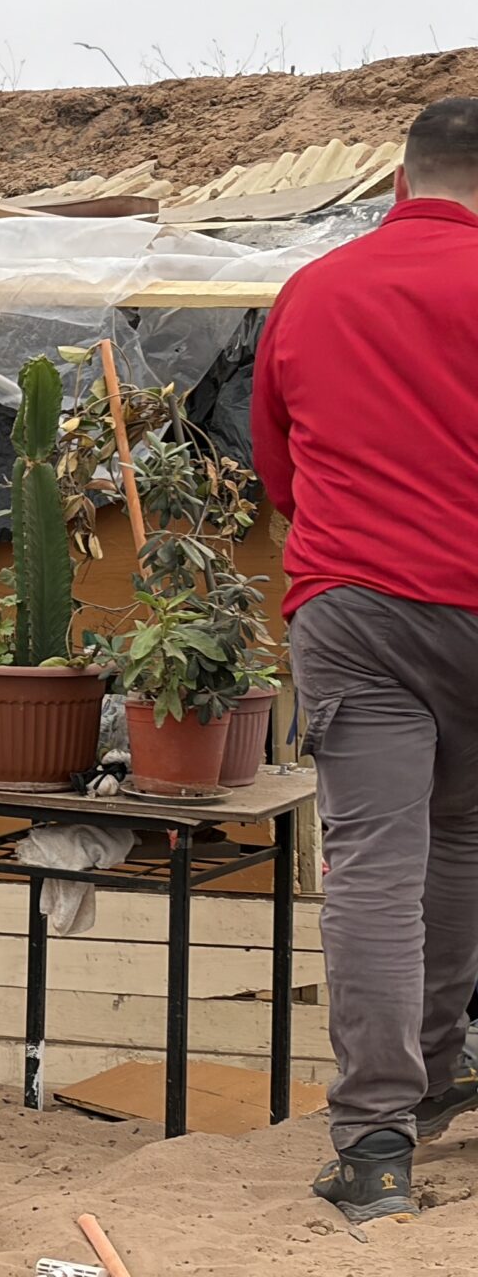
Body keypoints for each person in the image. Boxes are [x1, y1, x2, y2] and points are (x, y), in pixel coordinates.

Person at [254, 97, 478, 1224]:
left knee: (376, 864)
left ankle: (377, 1146)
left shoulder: (313, 290)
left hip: (357, 608)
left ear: (399, 180)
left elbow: (279, 472)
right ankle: (435, 1075)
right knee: (463, 841)